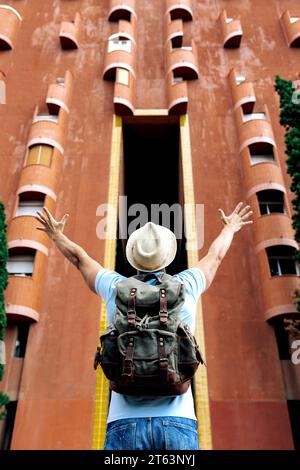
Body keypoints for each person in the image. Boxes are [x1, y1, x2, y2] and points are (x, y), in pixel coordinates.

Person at [35, 202, 253, 450]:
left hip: (123, 423)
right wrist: (230, 228)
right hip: (178, 422)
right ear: (166, 257)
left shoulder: (114, 287)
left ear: (134, 259)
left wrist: (56, 234)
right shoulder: (186, 285)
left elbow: (79, 259)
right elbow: (216, 256)